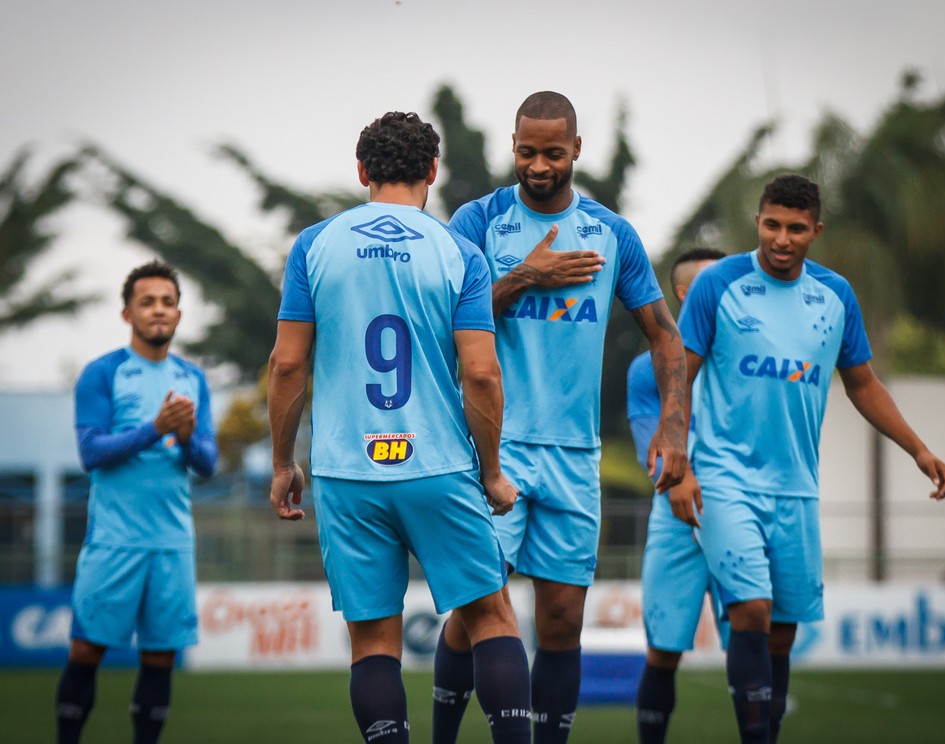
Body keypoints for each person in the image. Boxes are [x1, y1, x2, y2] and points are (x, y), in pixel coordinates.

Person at [267, 111, 532, 744]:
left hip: (347, 472)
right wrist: (490, 470)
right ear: (433, 173)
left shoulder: (314, 245)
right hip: (436, 467)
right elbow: (482, 374)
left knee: (374, 640)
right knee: (492, 618)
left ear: (361, 171)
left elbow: (286, 365)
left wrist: (283, 464)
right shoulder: (458, 253)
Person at [432, 91, 688, 744]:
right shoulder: (477, 222)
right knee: (475, 609)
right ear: (511, 146)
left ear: (576, 149)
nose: (538, 165)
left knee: (561, 620)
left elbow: (664, 336)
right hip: (497, 446)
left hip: (575, 453)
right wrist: (523, 277)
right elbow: (442, 324)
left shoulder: (611, 233)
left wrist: (671, 429)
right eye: (526, 151)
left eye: (552, 152)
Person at [673, 174, 945, 744]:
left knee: (782, 632)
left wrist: (919, 448)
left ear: (815, 231)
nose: (782, 238)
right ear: (758, 222)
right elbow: (679, 375)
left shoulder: (835, 295)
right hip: (725, 478)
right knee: (750, 610)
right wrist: (677, 462)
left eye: (796, 229)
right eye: (772, 224)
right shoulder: (718, 285)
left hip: (797, 486)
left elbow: (864, 385)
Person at [56, 260, 218, 744]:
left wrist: (186, 438)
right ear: (127, 313)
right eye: (147, 302)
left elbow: (207, 462)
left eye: (167, 302)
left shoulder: (192, 378)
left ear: (179, 314)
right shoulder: (103, 374)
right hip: (114, 542)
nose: (158, 311)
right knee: (86, 652)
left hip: (171, 544)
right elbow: (91, 453)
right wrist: (156, 429)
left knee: (160, 657)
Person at [629, 247, 729, 744]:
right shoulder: (646, 370)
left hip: (738, 508)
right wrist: (680, 477)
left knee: (756, 638)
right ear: (690, 293)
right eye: (719, 280)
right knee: (662, 648)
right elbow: (655, 453)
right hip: (675, 514)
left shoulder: (741, 359)